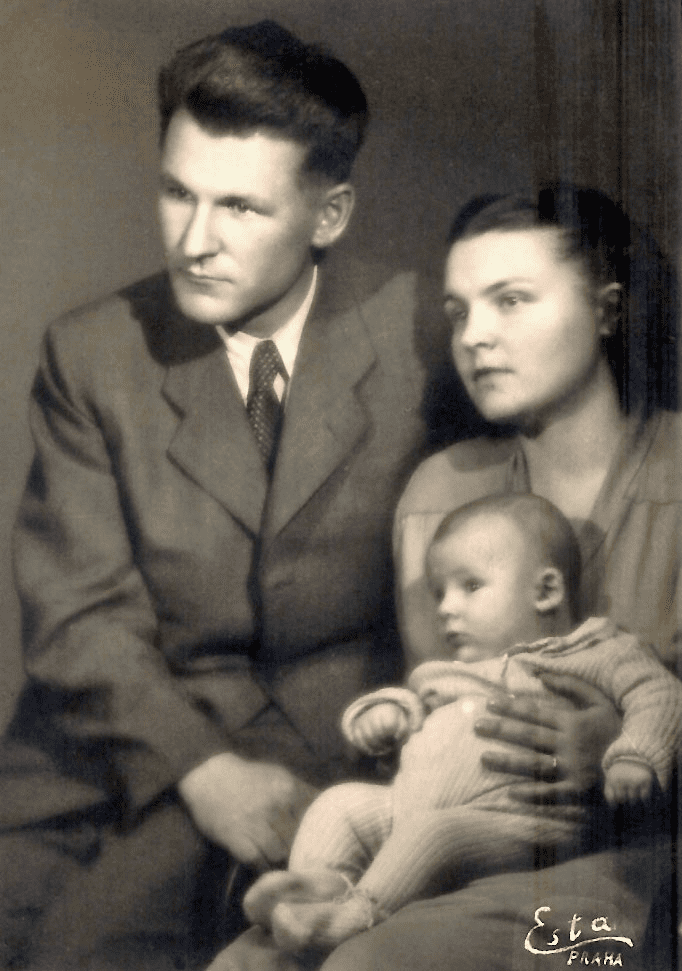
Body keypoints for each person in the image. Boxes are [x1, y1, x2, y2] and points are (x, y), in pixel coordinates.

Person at [0, 20, 456, 971]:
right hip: (127, 741)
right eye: (177, 193)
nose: (195, 241)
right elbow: (78, 616)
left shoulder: (423, 330)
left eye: (241, 208)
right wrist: (202, 769)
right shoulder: (90, 352)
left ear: (328, 216)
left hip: (340, 747)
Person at [216, 185, 680, 971]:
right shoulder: (443, 492)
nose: (476, 337)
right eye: (461, 311)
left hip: (639, 878)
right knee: (248, 964)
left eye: (511, 301)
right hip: (459, 840)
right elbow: (440, 700)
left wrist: (624, 749)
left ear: (606, 310)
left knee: (371, 963)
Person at [241, 493, 682, 955]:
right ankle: (321, 884)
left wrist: (633, 756)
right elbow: (414, 701)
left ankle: (356, 915)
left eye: (469, 586)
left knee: (434, 834)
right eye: (439, 593)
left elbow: (659, 695)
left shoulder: (593, 651)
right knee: (340, 805)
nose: (446, 608)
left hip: (530, 821)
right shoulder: (450, 672)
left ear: (546, 591)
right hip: (409, 809)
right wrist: (384, 714)